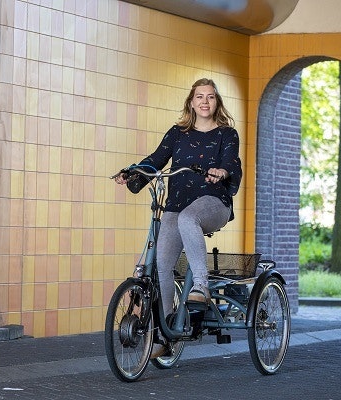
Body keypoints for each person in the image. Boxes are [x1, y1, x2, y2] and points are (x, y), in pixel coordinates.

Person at [114, 78, 242, 357]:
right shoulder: (177, 133)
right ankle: (166, 335)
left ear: (216, 102)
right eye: (199, 97)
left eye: (210, 97)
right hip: (177, 203)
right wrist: (131, 171)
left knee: (187, 219)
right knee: (161, 264)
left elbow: (231, 161)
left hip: (213, 202)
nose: (205, 102)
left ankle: (201, 286)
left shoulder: (226, 134)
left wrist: (222, 172)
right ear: (191, 102)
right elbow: (156, 159)